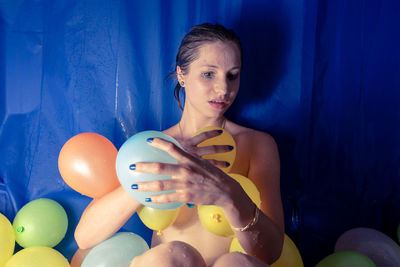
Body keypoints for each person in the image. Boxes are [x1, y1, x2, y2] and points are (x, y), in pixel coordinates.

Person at [75, 23, 284, 267]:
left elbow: (271, 252)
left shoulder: (258, 145)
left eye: (232, 75)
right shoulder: (152, 146)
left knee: (234, 263)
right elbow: (85, 236)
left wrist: (229, 194)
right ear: (181, 75)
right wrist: (158, 171)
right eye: (209, 74)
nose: (224, 88)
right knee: (169, 255)